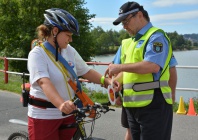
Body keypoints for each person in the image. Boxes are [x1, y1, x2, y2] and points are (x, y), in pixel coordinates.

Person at [27, 8, 116, 140]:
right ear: (55, 31)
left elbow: (86, 71)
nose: (71, 39)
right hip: (44, 115)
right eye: (68, 35)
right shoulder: (37, 54)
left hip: (68, 114)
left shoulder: (69, 51)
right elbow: (44, 82)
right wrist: (61, 104)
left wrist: (107, 81)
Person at [107, 1, 175, 140]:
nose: (124, 26)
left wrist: (119, 67)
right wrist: (117, 83)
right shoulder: (128, 42)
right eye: (122, 23)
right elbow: (124, 72)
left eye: (126, 21)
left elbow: (152, 66)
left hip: (154, 104)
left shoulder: (156, 36)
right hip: (132, 104)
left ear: (139, 15)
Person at [105, 46, 177, 140]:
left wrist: (116, 94)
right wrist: (172, 94)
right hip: (135, 100)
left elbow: (114, 71)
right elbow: (171, 70)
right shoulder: (126, 44)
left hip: (133, 99)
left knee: (131, 132)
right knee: (131, 132)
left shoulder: (127, 44)